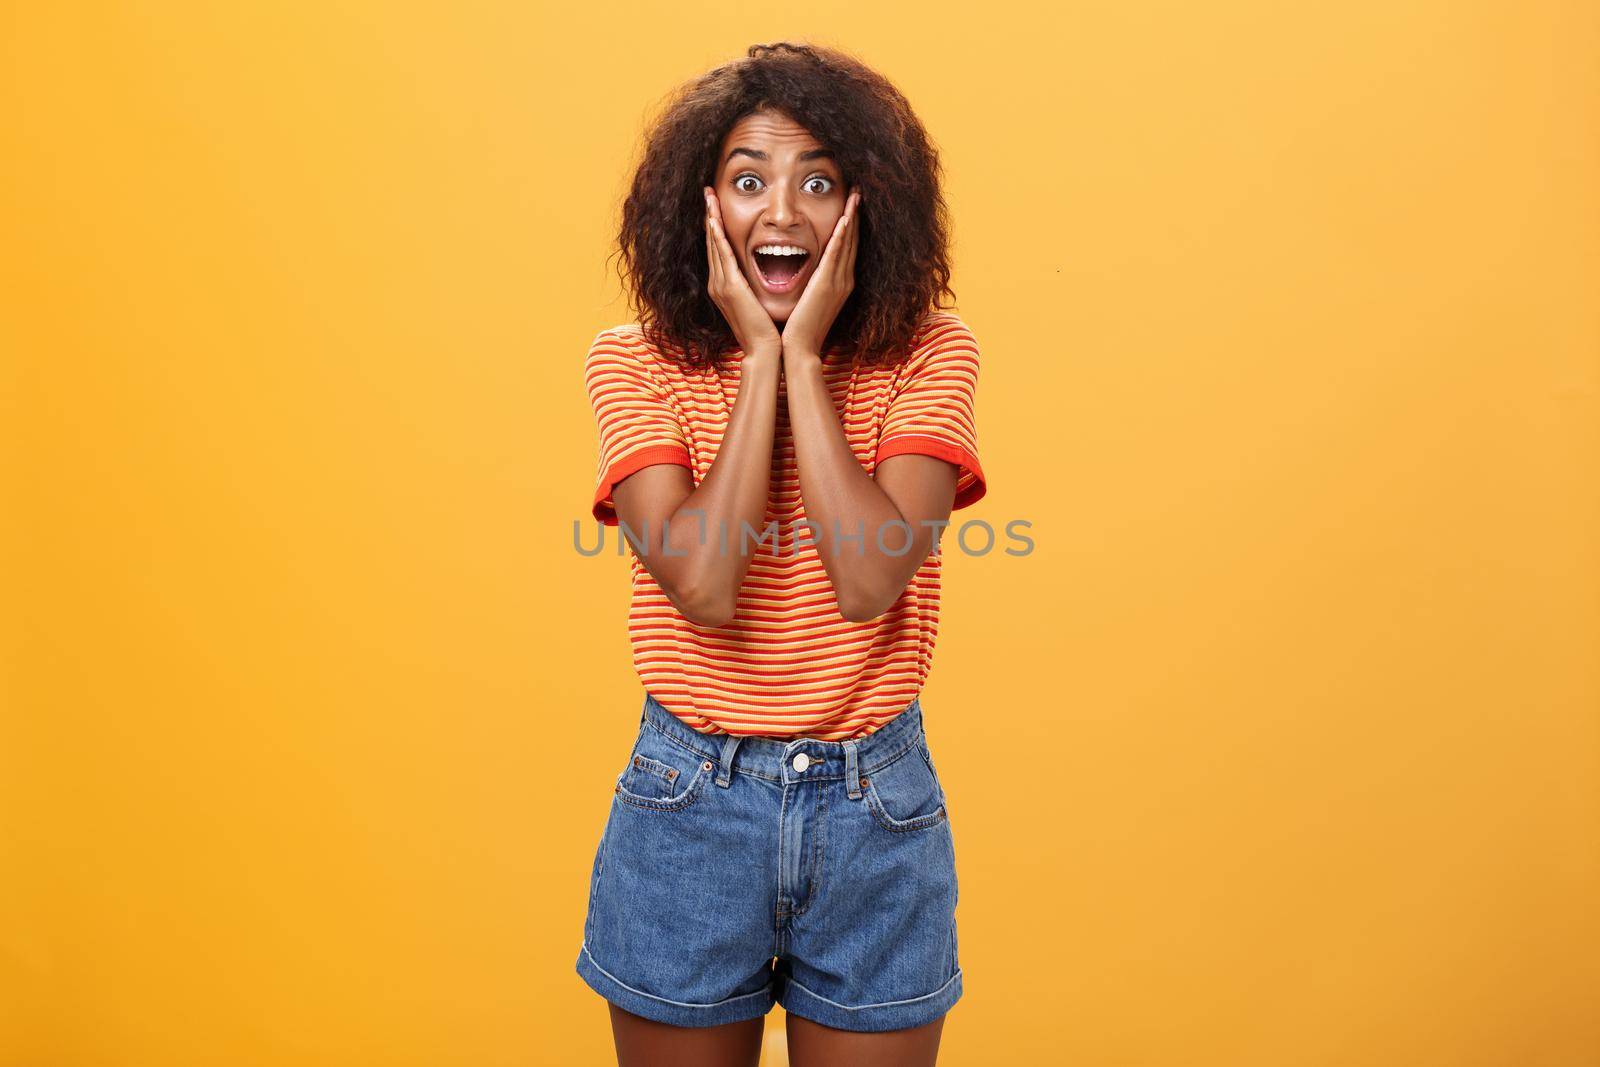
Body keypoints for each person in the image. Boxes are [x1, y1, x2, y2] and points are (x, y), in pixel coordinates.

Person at [575, 41, 988, 1067]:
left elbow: (868, 577)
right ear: (701, 204)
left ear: (863, 207)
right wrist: (759, 359)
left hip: (873, 811)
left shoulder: (931, 354)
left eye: (818, 181)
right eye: (749, 180)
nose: (783, 212)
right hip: (688, 807)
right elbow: (707, 583)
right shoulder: (631, 363)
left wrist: (801, 355)